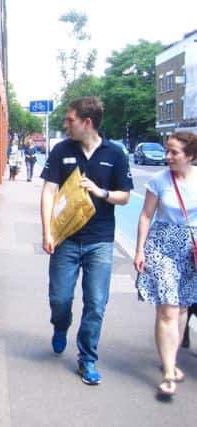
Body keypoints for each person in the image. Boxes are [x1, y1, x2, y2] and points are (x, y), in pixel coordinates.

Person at [40, 97, 133, 385]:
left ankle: (87, 358)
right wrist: (47, 232)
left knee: (96, 303)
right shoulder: (61, 151)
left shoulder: (115, 154)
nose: (65, 124)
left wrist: (100, 192)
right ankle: (60, 325)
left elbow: (125, 196)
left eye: (70, 120)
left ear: (87, 122)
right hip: (66, 238)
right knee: (60, 298)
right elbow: (48, 191)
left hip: (100, 241)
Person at [133, 131, 197, 396]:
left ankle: (170, 356)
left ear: (190, 156)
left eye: (174, 152)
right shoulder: (159, 180)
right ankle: (169, 370)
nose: (167, 156)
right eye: (167, 151)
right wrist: (139, 250)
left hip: (191, 248)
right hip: (161, 245)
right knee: (168, 310)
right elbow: (146, 215)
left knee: (182, 308)